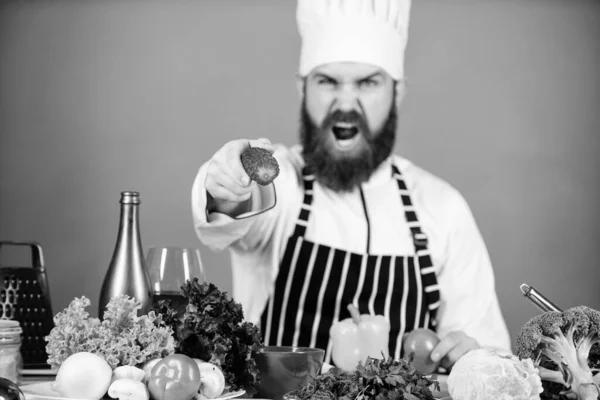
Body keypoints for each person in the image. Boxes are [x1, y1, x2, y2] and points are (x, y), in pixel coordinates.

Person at [191, 0, 511, 370]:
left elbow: (489, 356)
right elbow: (232, 207)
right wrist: (226, 183)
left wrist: (473, 356)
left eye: (368, 82)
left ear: (398, 91)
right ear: (302, 89)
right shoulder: (285, 185)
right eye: (327, 81)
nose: (345, 102)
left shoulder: (442, 208)